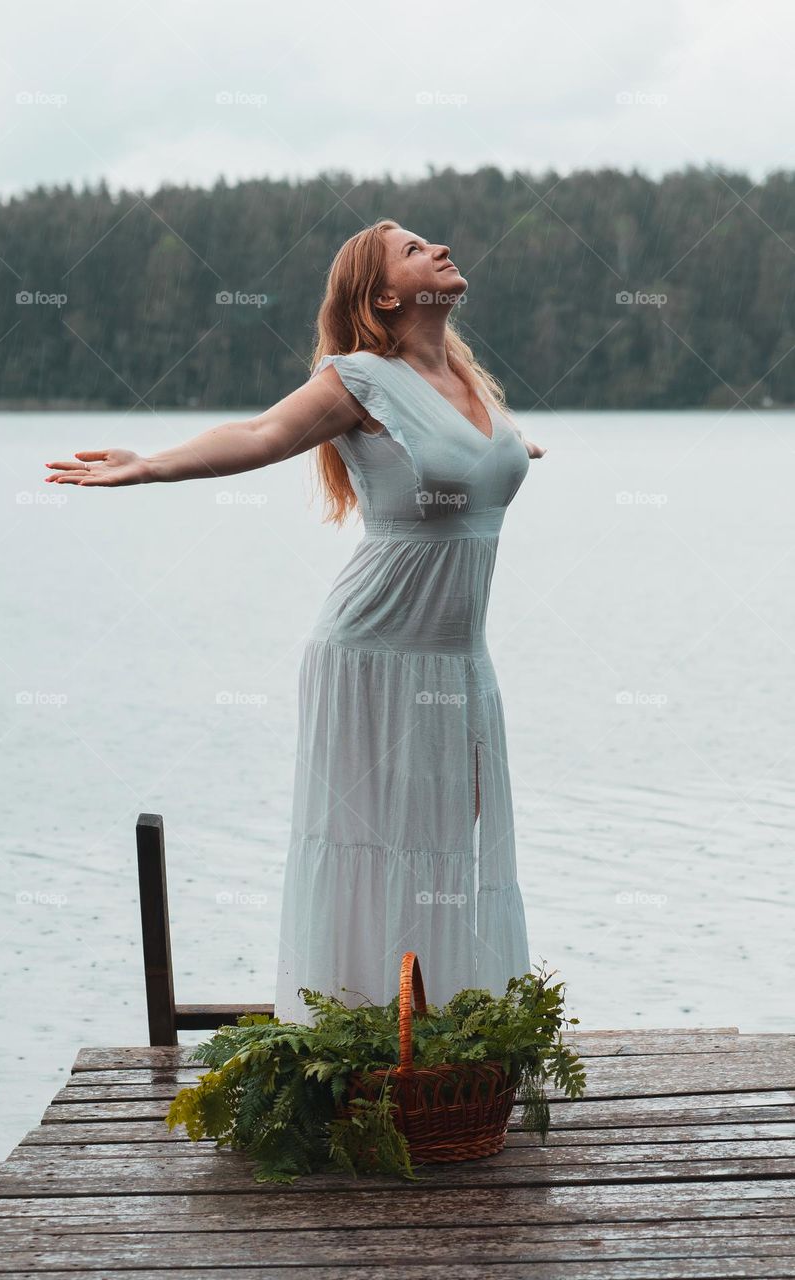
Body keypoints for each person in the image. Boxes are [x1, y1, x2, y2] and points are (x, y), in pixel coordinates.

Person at [44, 217, 547, 1024]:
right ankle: (358, 1045)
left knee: (451, 851)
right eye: (415, 250)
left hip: (458, 661)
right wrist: (151, 465)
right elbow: (261, 432)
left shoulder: (465, 378)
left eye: (434, 241)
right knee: (377, 853)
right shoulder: (357, 378)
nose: (442, 248)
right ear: (384, 295)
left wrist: (510, 454)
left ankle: (438, 1046)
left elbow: (470, 464)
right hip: (374, 654)